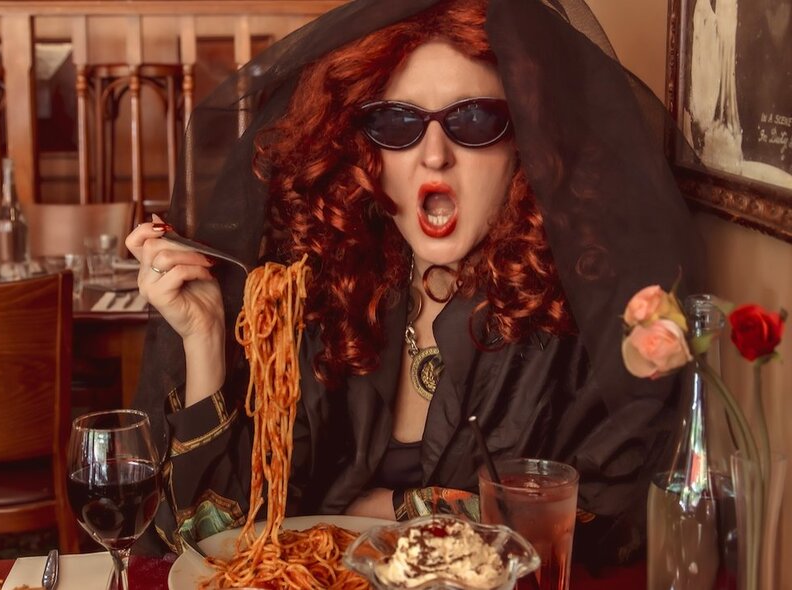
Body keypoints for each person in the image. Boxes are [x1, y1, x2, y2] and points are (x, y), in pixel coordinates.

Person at [126, 0, 701, 572]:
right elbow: (217, 540)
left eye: (474, 121)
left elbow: (595, 524)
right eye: (396, 124)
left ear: (527, 143)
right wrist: (203, 337)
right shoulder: (329, 293)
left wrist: (389, 509)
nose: (434, 156)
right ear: (363, 149)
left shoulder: (581, 314)